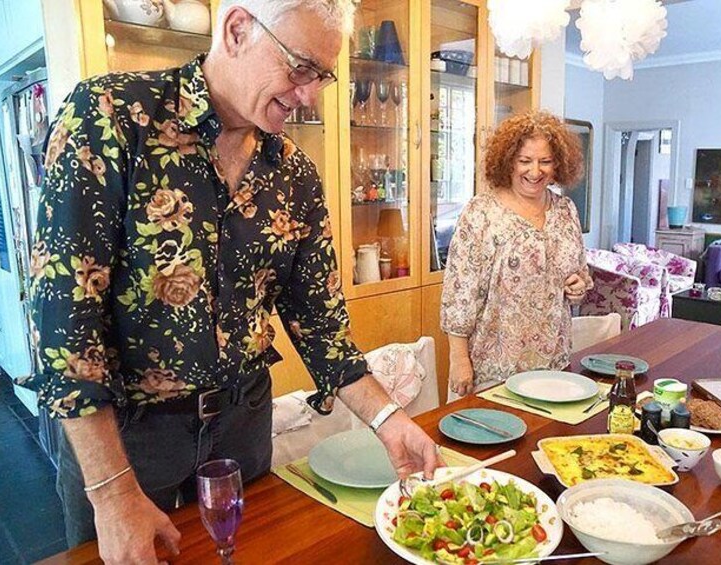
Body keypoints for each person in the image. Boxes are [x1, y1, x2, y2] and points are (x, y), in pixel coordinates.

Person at [27, 1, 440, 562]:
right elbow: (64, 320)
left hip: (241, 425)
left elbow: (321, 324)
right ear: (238, 29)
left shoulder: (293, 173)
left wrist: (391, 421)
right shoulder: (110, 117)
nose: (310, 94)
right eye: (300, 67)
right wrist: (113, 491)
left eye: (322, 76)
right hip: (126, 439)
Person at [441, 111, 592, 398]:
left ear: (558, 163)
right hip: (492, 371)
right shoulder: (481, 212)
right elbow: (459, 296)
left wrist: (578, 287)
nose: (535, 172)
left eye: (545, 161)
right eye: (525, 161)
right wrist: (458, 360)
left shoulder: (565, 210)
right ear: (508, 161)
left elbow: (578, 274)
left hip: (553, 367)